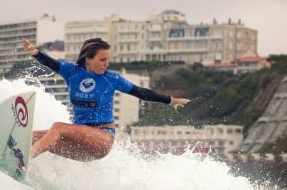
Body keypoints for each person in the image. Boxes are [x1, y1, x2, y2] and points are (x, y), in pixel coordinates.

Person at [22, 38, 190, 161]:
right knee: (31, 136)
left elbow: (140, 92)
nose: (106, 63)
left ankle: (27, 159)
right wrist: (36, 53)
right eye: (102, 60)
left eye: (107, 59)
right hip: (80, 145)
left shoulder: (112, 78)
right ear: (88, 59)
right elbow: (52, 63)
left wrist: (170, 100)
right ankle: (14, 155)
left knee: (57, 127)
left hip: (101, 139)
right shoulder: (72, 71)